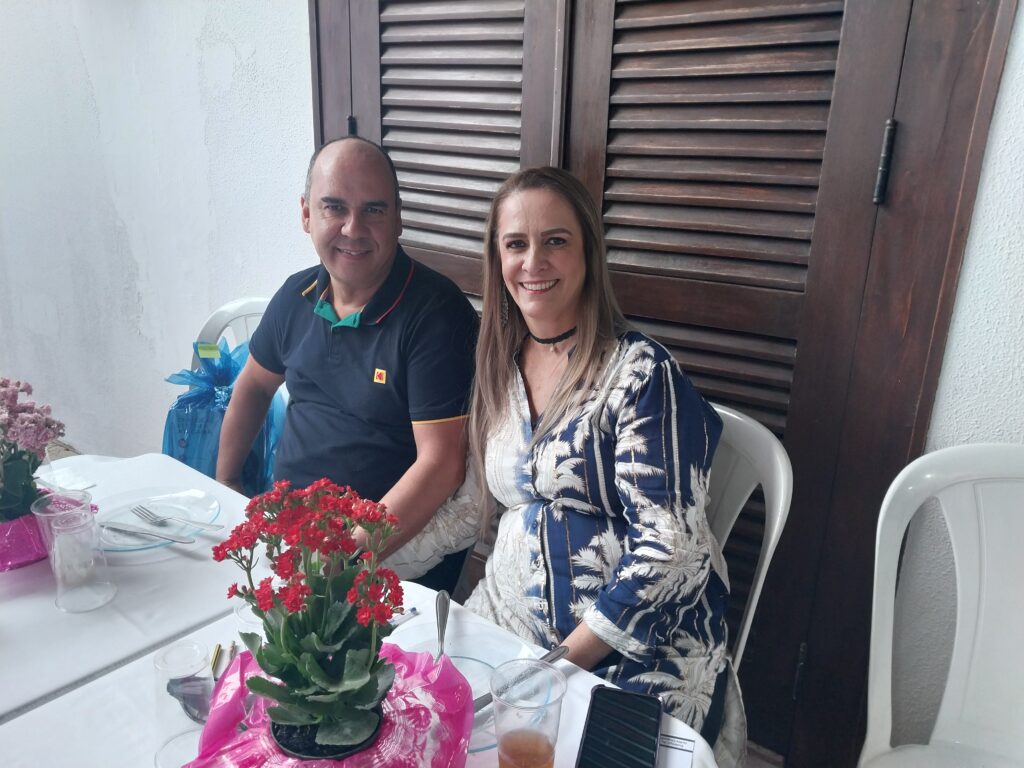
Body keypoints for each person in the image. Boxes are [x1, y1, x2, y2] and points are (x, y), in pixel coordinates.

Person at [464, 167, 743, 753]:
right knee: (431, 723)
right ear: (497, 259)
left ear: (588, 253)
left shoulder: (642, 375)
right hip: (511, 622)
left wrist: (559, 663)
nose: (533, 261)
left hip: (637, 648)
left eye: (555, 241)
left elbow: (672, 548)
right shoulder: (497, 364)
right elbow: (474, 502)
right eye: (516, 244)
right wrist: (363, 548)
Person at [216, 137, 479, 592]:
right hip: (292, 536)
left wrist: (342, 557)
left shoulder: (437, 314)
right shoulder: (296, 295)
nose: (353, 229)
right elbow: (254, 385)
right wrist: (228, 486)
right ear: (306, 214)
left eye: (373, 210)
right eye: (334, 207)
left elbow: (442, 465)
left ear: (398, 218)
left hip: (384, 557)